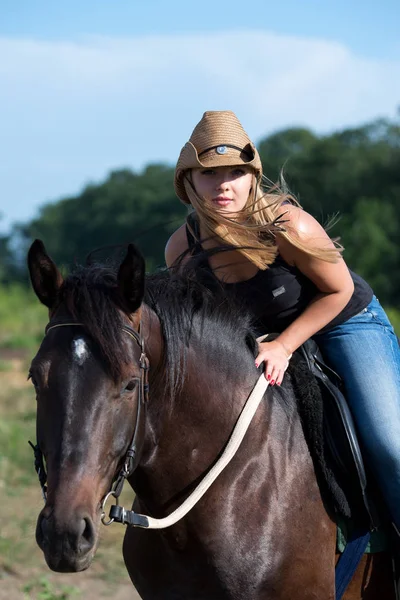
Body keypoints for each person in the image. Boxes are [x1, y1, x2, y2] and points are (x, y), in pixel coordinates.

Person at [165, 110, 400, 533]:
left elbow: (338, 291)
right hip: (259, 338)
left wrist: (285, 345)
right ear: (188, 181)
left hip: (344, 321)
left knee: (389, 444)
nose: (224, 185)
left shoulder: (288, 224)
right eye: (210, 173)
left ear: (252, 176)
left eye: (236, 172)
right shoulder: (181, 249)